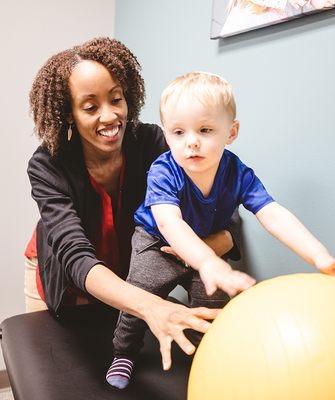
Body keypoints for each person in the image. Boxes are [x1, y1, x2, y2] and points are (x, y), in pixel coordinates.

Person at [24, 38, 244, 373]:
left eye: (116, 99)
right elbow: (76, 257)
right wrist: (151, 306)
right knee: (53, 370)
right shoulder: (47, 164)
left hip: (132, 275)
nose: (109, 116)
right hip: (68, 279)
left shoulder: (154, 143)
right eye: (90, 107)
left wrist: (208, 247)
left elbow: (221, 208)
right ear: (68, 113)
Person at [107, 71, 335, 389]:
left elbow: (272, 213)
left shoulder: (237, 172)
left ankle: (207, 355)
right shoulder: (163, 171)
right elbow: (169, 223)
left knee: (214, 302)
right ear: (167, 135)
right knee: (141, 293)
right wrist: (208, 261)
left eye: (205, 129)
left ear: (231, 131)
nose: (192, 142)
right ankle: (123, 353)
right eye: (178, 132)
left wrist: (319, 254)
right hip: (156, 242)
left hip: (206, 245)